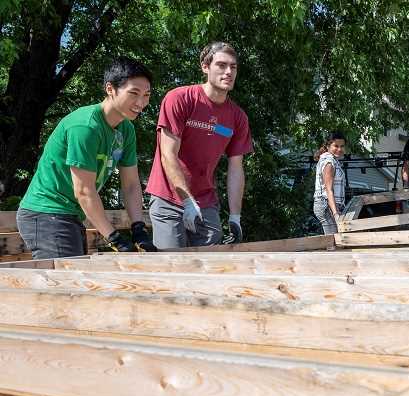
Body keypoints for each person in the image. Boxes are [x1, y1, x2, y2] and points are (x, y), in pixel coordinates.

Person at [16, 57, 156, 259]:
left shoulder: (126, 130)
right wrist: (114, 238)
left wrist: (138, 228)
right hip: (46, 213)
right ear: (110, 89)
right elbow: (84, 190)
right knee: (67, 285)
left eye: (146, 95)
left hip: (70, 215)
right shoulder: (86, 127)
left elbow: (132, 185)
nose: (141, 102)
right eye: (133, 93)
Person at [145, 42, 252, 249]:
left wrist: (235, 216)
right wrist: (186, 201)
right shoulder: (179, 99)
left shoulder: (237, 117)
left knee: (213, 267)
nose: (228, 72)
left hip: (205, 201)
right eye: (221, 65)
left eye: (233, 66)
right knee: (172, 268)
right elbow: (168, 154)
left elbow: (236, 168)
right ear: (205, 67)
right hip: (169, 198)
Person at [313, 132, 347, 235]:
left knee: (335, 241)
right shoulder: (329, 162)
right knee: (333, 241)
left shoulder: (333, 160)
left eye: (342, 146)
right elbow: (328, 190)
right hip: (327, 205)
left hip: (329, 205)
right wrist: (336, 213)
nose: (339, 149)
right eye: (336, 146)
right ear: (328, 146)